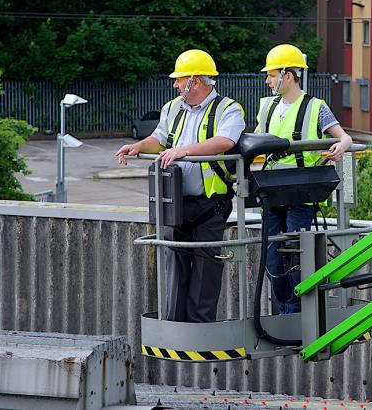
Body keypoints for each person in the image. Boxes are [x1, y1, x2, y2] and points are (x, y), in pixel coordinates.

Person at [115, 49, 245, 322]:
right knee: (176, 269)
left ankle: (200, 329)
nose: (175, 84)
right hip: (175, 203)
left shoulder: (228, 108)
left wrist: (184, 150)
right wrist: (138, 147)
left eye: (179, 79)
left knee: (205, 271)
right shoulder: (172, 108)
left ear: (195, 81)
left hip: (211, 204)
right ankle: (175, 327)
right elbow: (159, 138)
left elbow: (225, 141)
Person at [255, 43, 353, 314]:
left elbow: (343, 136)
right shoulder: (267, 108)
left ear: (288, 75)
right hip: (273, 189)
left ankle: (298, 312)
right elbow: (253, 141)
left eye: (272, 75)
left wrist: (342, 146)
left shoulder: (315, 107)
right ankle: (286, 308)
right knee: (273, 256)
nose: (267, 80)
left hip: (302, 189)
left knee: (295, 249)